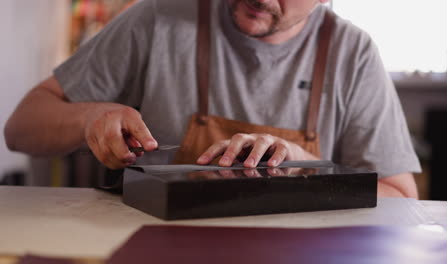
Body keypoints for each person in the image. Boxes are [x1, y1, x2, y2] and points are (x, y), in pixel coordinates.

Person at [4, 0, 421, 198]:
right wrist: (88, 117)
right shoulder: (158, 18)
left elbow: (400, 197)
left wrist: (309, 170)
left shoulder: (353, 52)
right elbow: (19, 129)